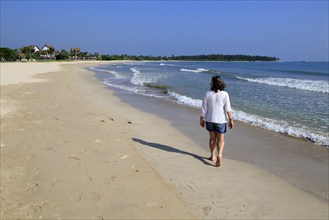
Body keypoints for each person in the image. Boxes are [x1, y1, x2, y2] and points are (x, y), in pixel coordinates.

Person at [200, 75, 234, 167]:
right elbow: (228, 108)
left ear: (212, 84)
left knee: (212, 138)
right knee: (221, 138)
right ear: (221, 83)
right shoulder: (225, 94)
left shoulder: (207, 94)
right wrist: (231, 119)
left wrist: (201, 118)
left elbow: (204, 108)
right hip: (221, 120)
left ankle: (212, 156)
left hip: (210, 119)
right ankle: (220, 155)